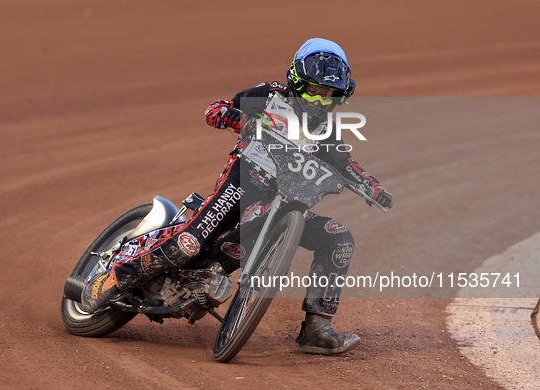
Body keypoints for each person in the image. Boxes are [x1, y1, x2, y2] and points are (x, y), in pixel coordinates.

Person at [82, 38, 393, 355]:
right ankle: (115, 279)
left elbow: (345, 163)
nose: (319, 100)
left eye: (327, 94)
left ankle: (317, 328)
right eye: (313, 90)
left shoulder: (327, 130)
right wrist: (242, 120)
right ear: (296, 83)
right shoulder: (271, 96)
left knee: (339, 238)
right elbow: (215, 109)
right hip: (245, 181)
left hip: (284, 202)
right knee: (192, 242)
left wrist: (373, 187)